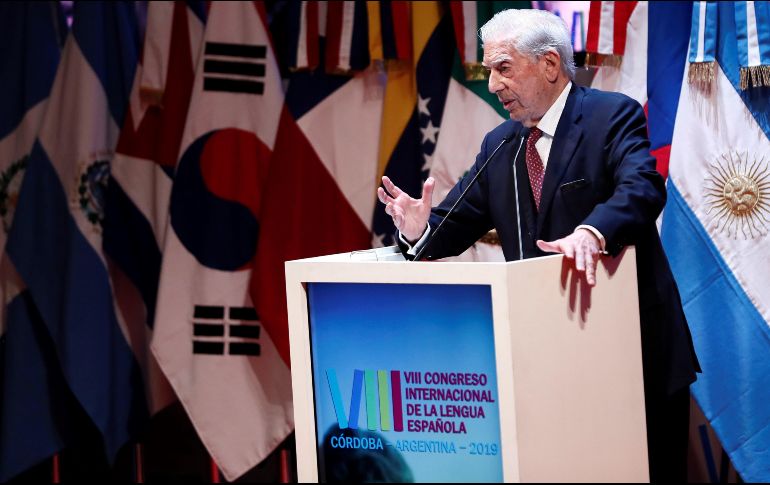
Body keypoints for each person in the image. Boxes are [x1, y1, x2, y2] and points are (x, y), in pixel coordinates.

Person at [376, 8, 699, 482]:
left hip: (633, 358)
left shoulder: (611, 116)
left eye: (503, 68)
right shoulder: (499, 145)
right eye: (488, 70)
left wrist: (593, 231)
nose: (492, 83)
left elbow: (643, 188)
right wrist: (416, 228)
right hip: (545, 365)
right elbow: (451, 226)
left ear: (550, 64)